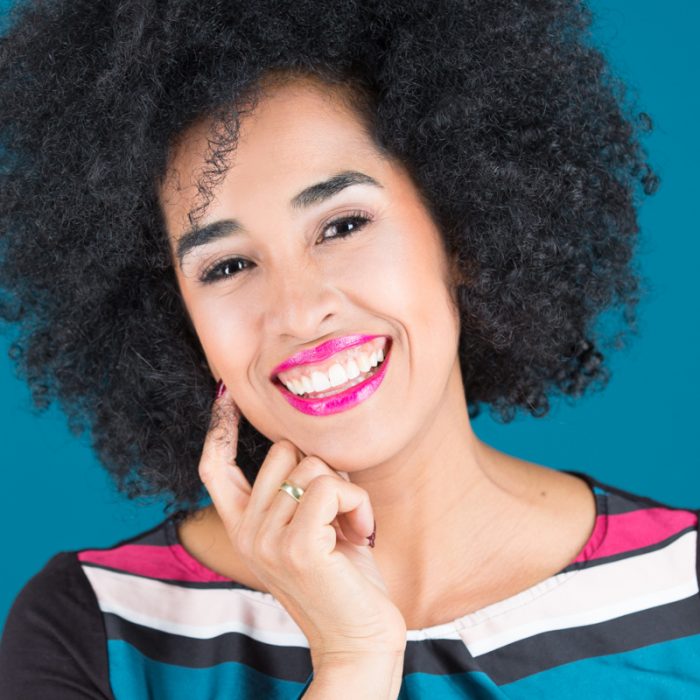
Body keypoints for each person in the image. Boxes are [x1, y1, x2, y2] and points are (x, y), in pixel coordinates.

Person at [1, 0, 698, 698]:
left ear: (460, 233)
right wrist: (352, 660)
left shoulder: (683, 591)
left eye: (342, 225)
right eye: (227, 266)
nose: (300, 311)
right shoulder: (95, 632)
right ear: (178, 321)